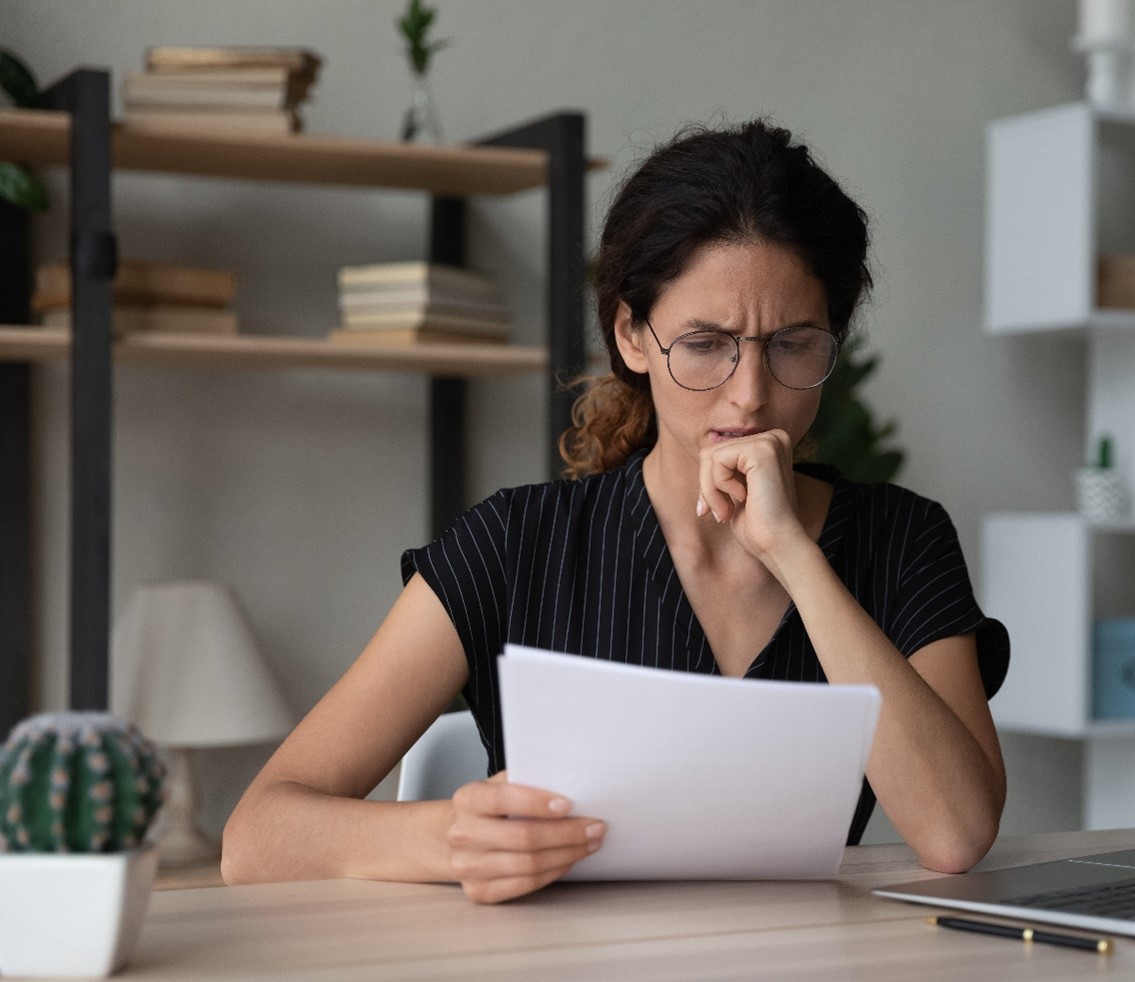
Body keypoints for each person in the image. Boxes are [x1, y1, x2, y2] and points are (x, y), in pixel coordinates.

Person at [222, 120, 1008, 904]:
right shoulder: (514, 544)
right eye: (706, 343)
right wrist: (448, 838)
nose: (750, 393)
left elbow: (955, 833)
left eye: (793, 344)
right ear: (633, 335)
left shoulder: (901, 539)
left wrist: (797, 558)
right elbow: (256, 835)